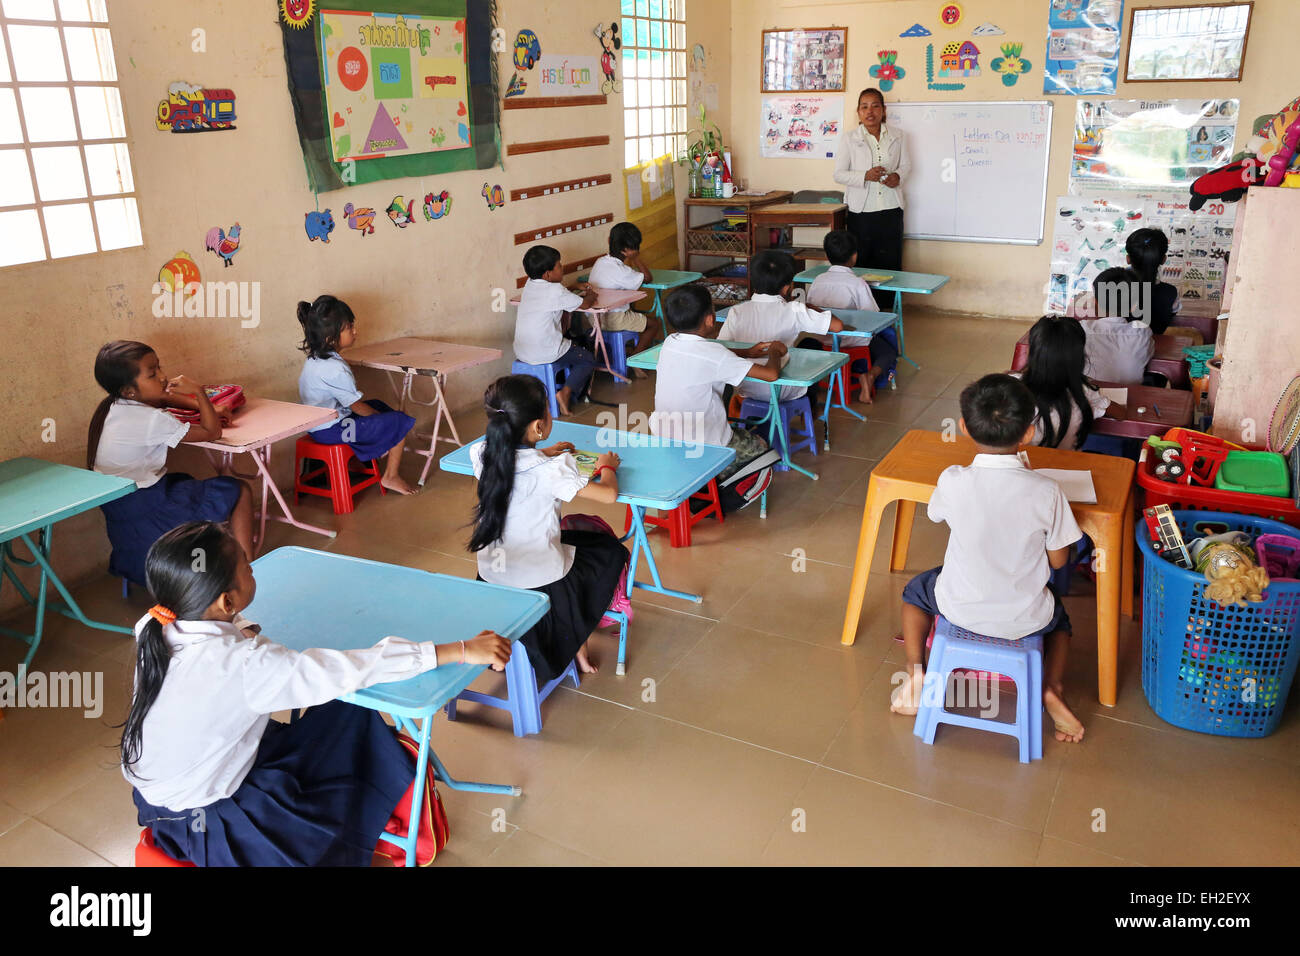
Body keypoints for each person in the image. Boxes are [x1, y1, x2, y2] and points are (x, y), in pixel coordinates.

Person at [123, 521, 511, 866]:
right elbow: (357, 667)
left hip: (161, 808)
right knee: (353, 715)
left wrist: (238, 624)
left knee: (332, 713)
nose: (252, 566)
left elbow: (235, 638)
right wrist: (461, 649)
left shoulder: (154, 625)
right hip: (227, 829)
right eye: (247, 565)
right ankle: (372, 832)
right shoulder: (246, 666)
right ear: (226, 601)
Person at [890, 374, 1086, 744]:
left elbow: (937, 514)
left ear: (964, 427)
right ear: (1029, 433)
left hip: (958, 607)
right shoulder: (1047, 491)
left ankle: (917, 673)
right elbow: (1059, 563)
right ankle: (1052, 688)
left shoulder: (953, 479)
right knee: (1060, 623)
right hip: (1024, 618)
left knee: (916, 591)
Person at [468, 374, 629, 677]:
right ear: (538, 426)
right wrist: (607, 466)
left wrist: (542, 452)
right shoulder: (554, 470)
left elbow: (515, 463)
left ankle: (575, 645)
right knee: (609, 550)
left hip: (491, 577)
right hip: (542, 580)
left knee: (569, 539)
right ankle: (575, 638)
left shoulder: (482, 453)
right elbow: (609, 495)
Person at [88, 340, 254, 586]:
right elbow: (212, 432)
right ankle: (247, 569)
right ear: (129, 390)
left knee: (183, 479)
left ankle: (215, 549)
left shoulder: (113, 407)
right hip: (150, 508)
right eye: (153, 374)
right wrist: (198, 393)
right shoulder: (151, 419)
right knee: (239, 489)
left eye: (160, 368)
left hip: (122, 511)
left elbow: (164, 399)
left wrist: (208, 407)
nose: (164, 377)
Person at [650, 285, 784, 512]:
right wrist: (775, 352)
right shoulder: (716, 355)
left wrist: (746, 353)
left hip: (664, 438)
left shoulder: (669, 343)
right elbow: (771, 374)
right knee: (764, 451)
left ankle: (700, 487)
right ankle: (717, 500)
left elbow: (710, 353)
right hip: (705, 445)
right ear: (711, 319)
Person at [296, 295, 418, 495]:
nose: (355, 331)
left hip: (319, 426)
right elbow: (356, 406)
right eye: (349, 328)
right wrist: (382, 423)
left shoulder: (316, 359)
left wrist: (378, 420)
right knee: (398, 421)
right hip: (334, 430)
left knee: (378, 406)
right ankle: (391, 476)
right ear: (330, 337)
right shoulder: (335, 368)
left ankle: (368, 454)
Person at [720, 249, 850, 405]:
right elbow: (837, 326)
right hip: (783, 389)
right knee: (812, 346)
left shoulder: (736, 311)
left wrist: (748, 352)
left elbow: (720, 349)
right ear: (787, 288)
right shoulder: (794, 309)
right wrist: (813, 308)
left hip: (746, 387)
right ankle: (811, 406)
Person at [832, 87, 910, 310]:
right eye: (864, 106)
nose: (870, 111)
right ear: (858, 112)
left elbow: (906, 166)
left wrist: (898, 177)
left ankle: (888, 311)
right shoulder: (849, 139)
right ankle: (865, 310)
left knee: (890, 263)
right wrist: (864, 175)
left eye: (875, 106)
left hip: (891, 207)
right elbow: (838, 174)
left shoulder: (898, 136)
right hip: (861, 211)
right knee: (863, 261)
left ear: (883, 110)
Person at [806, 229, 900, 401]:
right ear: (855, 256)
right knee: (889, 352)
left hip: (823, 339)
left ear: (827, 256)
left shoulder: (818, 280)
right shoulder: (857, 283)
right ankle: (869, 376)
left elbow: (810, 309)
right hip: (851, 341)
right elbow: (873, 317)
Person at [1015, 315, 1125, 450]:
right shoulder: (1084, 391)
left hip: (1025, 465)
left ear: (1031, 352)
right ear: (1078, 358)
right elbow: (1120, 413)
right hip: (1068, 466)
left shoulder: (1013, 388)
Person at [515, 245, 599, 415]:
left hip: (522, 351)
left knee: (570, 341)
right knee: (588, 358)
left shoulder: (530, 285)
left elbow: (555, 296)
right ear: (547, 274)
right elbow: (586, 304)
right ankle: (565, 393)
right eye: (559, 266)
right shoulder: (555, 290)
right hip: (545, 350)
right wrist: (592, 294)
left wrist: (573, 286)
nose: (562, 268)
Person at [588, 222, 655, 363]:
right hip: (612, 319)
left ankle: (627, 351)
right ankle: (635, 360)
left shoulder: (600, 261)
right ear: (628, 250)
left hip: (593, 319)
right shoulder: (622, 272)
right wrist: (636, 259)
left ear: (609, 241)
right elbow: (648, 278)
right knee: (654, 324)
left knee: (633, 308)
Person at [1085, 267, 1156, 386]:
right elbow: (1149, 353)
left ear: (1095, 302)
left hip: (1090, 399)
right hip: (1130, 399)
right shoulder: (1142, 332)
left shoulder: (1081, 330)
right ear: (1133, 306)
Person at [1124, 227, 1180, 334]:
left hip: (1117, 348)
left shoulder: (1111, 286)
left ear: (1128, 259)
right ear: (1164, 259)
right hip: (1154, 348)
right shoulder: (1171, 293)